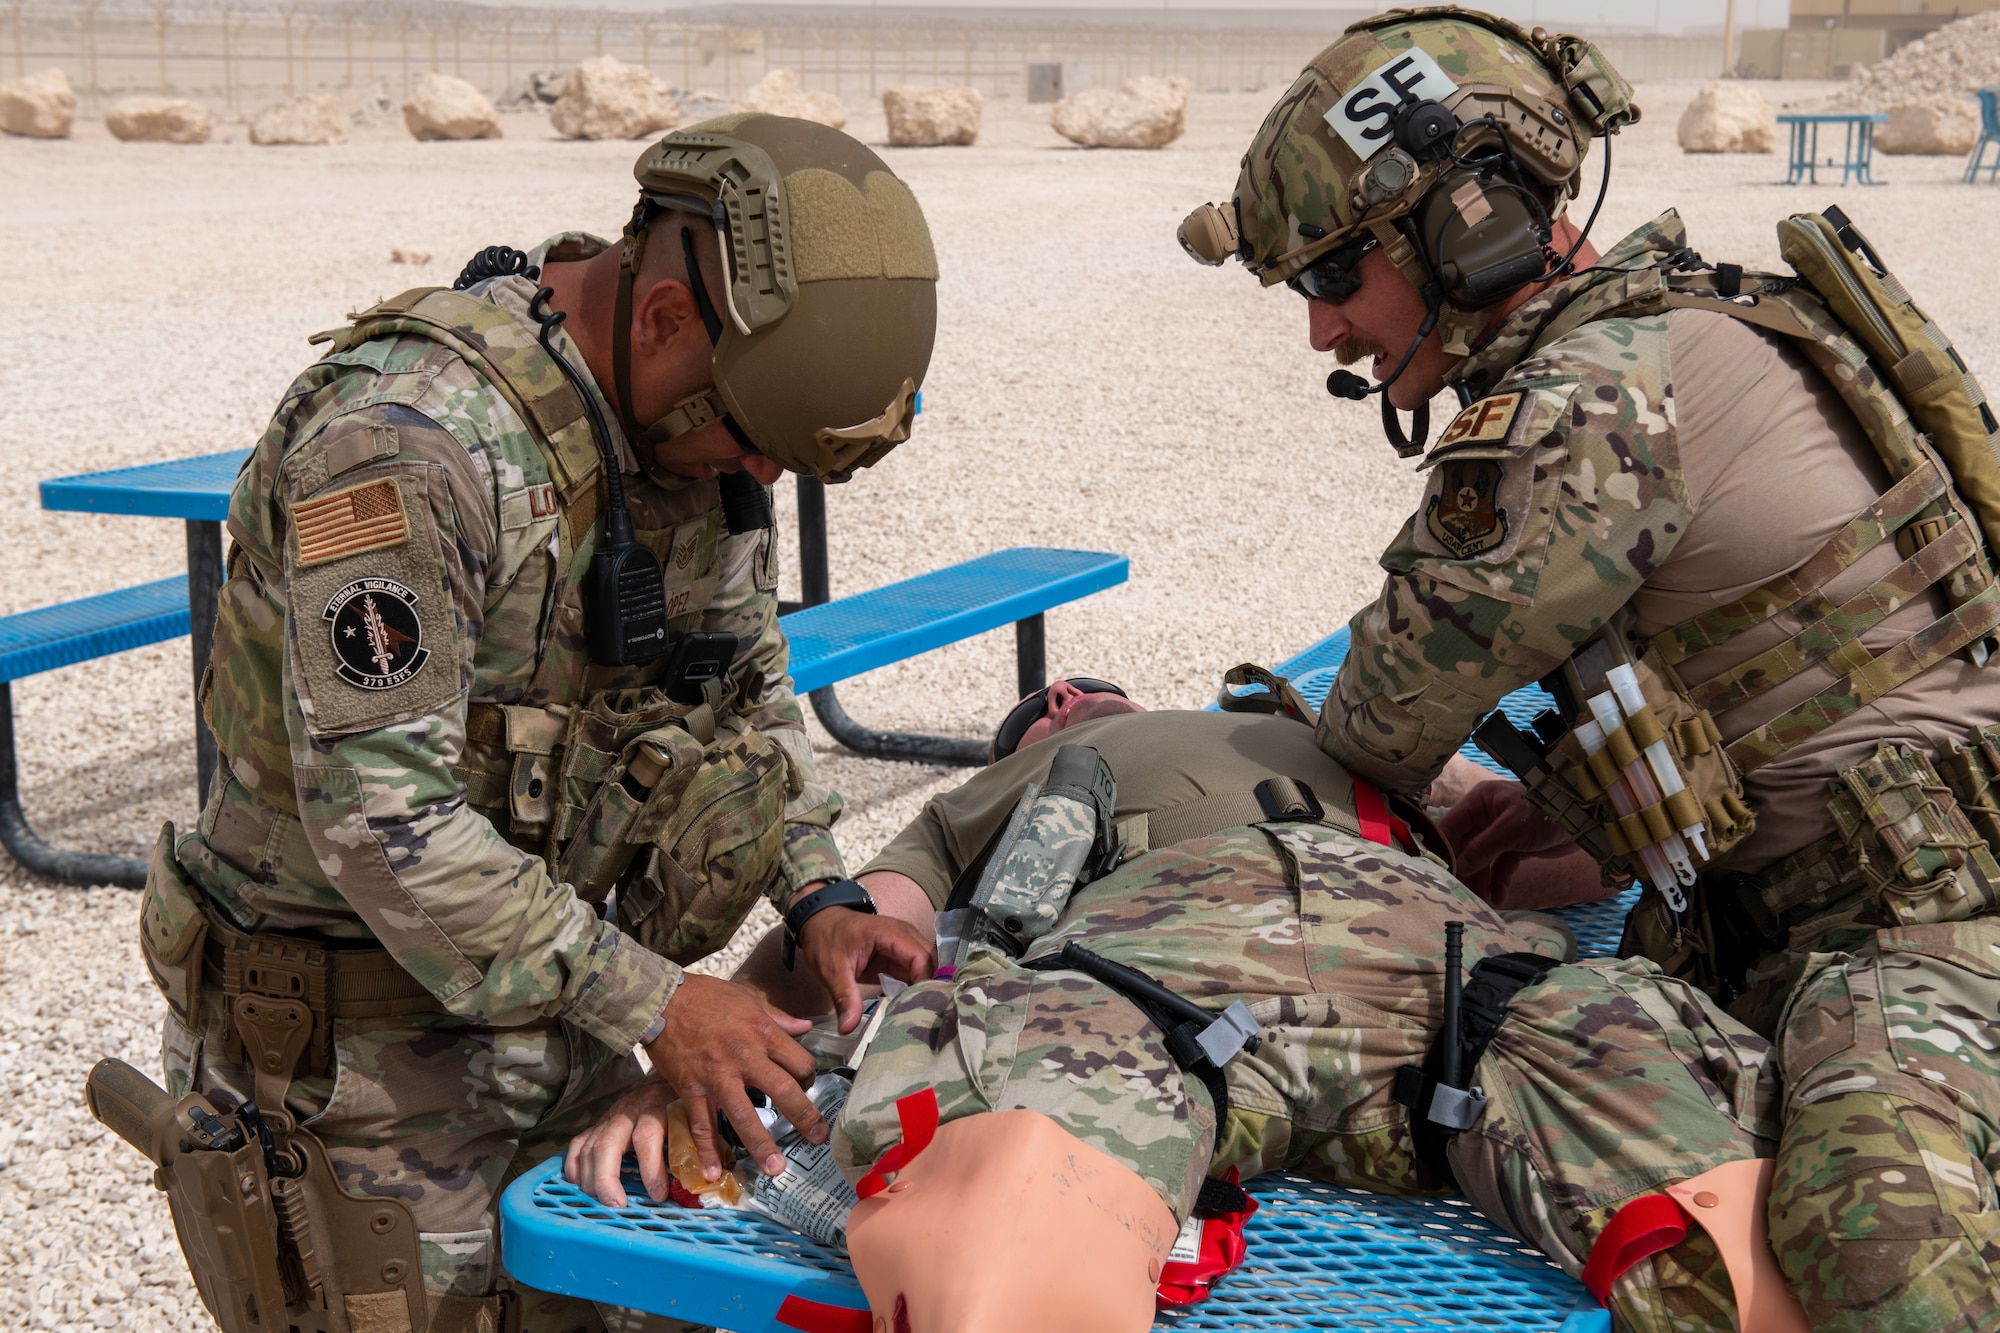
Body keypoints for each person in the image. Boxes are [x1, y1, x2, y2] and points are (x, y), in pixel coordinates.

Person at [1179, 8, 2000, 1327]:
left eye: (1332, 279)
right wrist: (1580, 812)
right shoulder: (1694, 324)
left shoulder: (1585, 400)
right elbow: (1773, 667)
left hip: (1923, 929)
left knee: (1884, 1252)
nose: (1325, 333)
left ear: (1466, 224)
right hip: (1853, 899)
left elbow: (1385, 715)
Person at [127, 114, 940, 1333]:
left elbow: (745, 688)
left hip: (548, 1021)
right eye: (745, 438)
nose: (756, 481)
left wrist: (821, 895)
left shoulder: (681, 434)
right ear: (665, 318)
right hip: (358, 1080)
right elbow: (378, 816)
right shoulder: (406, 443)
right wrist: (661, 1005)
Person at [567, 685, 1788, 1333]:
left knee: (1743, 1230)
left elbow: (1556, 862)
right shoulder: (1028, 773)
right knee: (1003, 1236)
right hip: (1168, 963)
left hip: (1451, 966)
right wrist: (683, 1060)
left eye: (1072, 696)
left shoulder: (1332, 721)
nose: (1065, 700)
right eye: (1051, 704)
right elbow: (856, 928)